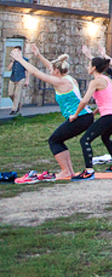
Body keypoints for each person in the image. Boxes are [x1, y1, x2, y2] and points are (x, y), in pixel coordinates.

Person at [12, 46, 89, 180]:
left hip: (80, 117)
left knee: (54, 140)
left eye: (52, 70)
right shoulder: (68, 78)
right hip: (84, 116)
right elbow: (52, 66)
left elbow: (35, 72)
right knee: (58, 140)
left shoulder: (60, 82)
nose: (49, 71)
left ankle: (65, 171)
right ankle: (68, 171)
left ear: (56, 71)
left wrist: (19, 59)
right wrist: (39, 55)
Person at [71, 56, 112, 179]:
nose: (87, 67)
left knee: (84, 140)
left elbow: (85, 100)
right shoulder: (107, 79)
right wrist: (94, 113)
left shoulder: (95, 82)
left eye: (89, 65)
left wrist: (75, 114)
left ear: (94, 68)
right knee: (105, 137)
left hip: (109, 115)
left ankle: (89, 171)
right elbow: (106, 101)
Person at [6, 45, 30, 115]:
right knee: (10, 94)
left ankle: (14, 109)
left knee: (17, 94)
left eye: (16, 51)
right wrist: (12, 61)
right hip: (13, 78)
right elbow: (8, 69)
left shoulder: (25, 60)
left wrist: (27, 80)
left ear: (20, 52)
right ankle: (17, 104)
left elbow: (27, 71)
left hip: (21, 78)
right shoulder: (13, 60)